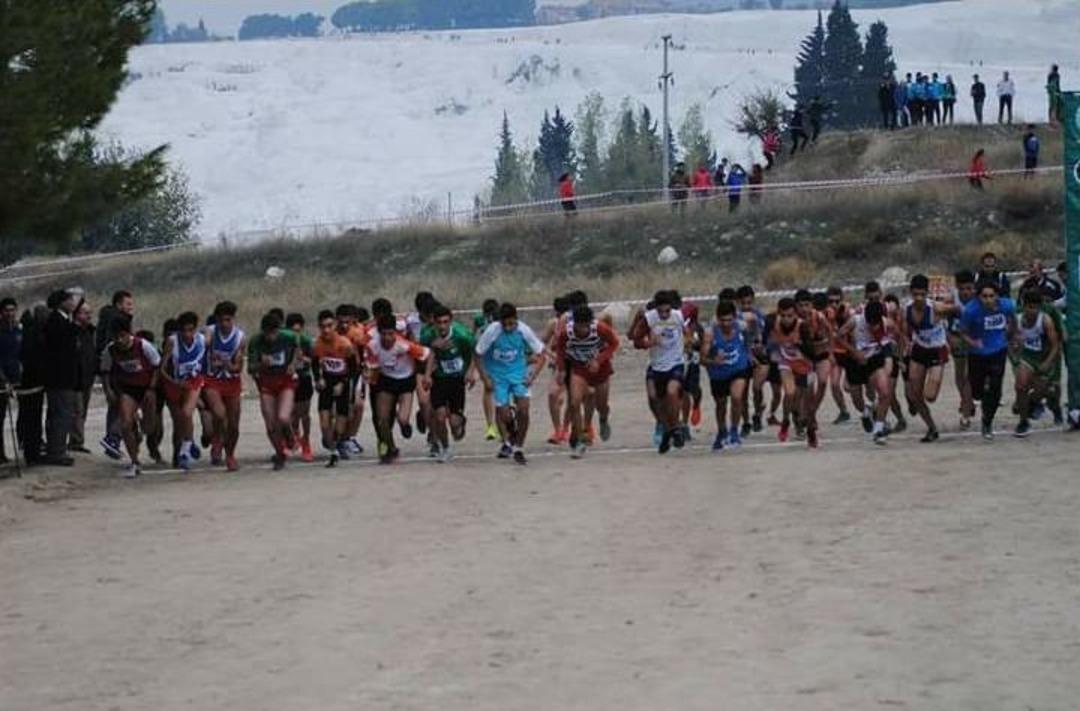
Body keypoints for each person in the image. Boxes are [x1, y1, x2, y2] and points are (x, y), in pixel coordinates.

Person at [474, 303, 546, 465]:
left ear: (516, 320)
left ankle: (519, 447)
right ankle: (510, 431)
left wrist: (532, 376)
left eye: (511, 324)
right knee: (504, 414)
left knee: (525, 409)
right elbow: (478, 354)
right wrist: (485, 378)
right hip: (498, 377)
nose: (508, 328)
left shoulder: (524, 330)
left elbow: (541, 354)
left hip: (518, 374)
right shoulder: (492, 331)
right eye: (504, 324)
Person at [554, 305, 618, 459]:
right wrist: (561, 370)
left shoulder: (600, 328)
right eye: (579, 325)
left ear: (591, 322)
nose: (583, 329)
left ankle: (603, 418)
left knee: (601, 405)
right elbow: (560, 350)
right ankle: (580, 440)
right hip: (579, 368)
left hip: (600, 369)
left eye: (586, 325)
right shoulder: (567, 332)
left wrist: (599, 359)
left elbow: (614, 343)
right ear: (574, 322)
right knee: (575, 403)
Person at [100, 316, 161, 478]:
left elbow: (157, 367)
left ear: (129, 334)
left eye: (122, 336)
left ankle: (140, 428)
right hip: (127, 389)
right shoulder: (110, 350)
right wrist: (108, 391)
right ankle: (134, 461)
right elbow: (105, 372)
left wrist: (152, 389)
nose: (119, 340)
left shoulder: (144, 346)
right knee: (125, 423)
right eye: (116, 337)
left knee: (150, 427)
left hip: (147, 388)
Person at [366, 312, 431, 464]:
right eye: (384, 334)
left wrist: (425, 375)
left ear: (395, 332)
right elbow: (373, 368)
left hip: (405, 382)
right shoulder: (372, 346)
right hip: (386, 381)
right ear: (379, 333)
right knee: (382, 420)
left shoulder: (404, 345)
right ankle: (391, 447)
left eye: (391, 333)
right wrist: (370, 378)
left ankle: (406, 423)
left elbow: (427, 354)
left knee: (402, 419)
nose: (388, 338)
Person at [959, 280, 1017, 440]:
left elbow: (1014, 317)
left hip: (998, 350)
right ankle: (981, 399)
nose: (988, 300)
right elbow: (962, 332)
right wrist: (973, 342)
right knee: (977, 391)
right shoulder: (970, 311)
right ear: (978, 297)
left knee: (995, 388)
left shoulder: (1007, 305)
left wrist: (1013, 333)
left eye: (991, 296)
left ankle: (987, 421)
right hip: (977, 354)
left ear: (997, 296)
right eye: (984, 296)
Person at [900, 275, 954, 443]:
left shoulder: (936, 308)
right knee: (916, 396)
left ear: (927, 293)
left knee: (930, 396)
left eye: (922, 295)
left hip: (937, 350)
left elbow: (958, 310)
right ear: (911, 293)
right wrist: (904, 348)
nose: (919, 298)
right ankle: (932, 428)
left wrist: (953, 335)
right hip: (919, 349)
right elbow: (904, 330)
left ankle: (917, 401)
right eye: (915, 294)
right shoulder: (906, 309)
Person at [420, 304, 477, 463]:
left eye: (446, 322)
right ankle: (445, 448)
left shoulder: (462, 336)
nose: (442, 326)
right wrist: (427, 375)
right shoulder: (428, 335)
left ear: (451, 321)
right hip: (439, 379)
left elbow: (474, 353)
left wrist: (470, 372)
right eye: (439, 322)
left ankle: (460, 423)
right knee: (439, 416)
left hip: (457, 380)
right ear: (434, 322)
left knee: (454, 425)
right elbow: (427, 354)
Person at [839, 301, 900, 445]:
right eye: (870, 323)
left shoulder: (887, 323)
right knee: (858, 402)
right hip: (855, 362)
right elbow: (839, 336)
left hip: (874, 361)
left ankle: (878, 429)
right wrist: (854, 351)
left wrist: (897, 354)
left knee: (885, 392)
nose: (874, 326)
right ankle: (869, 408)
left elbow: (898, 335)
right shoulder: (856, 321)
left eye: (876, 323)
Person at [247, 312, 302, 469]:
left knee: (283, 417)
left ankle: (291, 436)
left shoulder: (288, 336)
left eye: (274, 333)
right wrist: (260, 364)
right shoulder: (256, 341)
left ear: (278, 330)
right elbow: (250, 368)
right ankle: (280, 453)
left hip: (285, 382)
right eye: (268, 334)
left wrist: (293, 363)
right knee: (271, 424)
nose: (271, 337)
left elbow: (298, 345)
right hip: (267, 384)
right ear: (263, 332)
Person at [701, 300, 752, 451]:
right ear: (717, 318)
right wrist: (713, 361)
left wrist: (750, 353)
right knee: (721, 404)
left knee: (737, 397)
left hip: (738, 369)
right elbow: (702, 360)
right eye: (723, 320)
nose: (726, 323)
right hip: (718, 374)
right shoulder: (710, 333)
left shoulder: (742, 327)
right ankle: (722, 431)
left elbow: (750, 341)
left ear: (734, 318)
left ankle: (734, 430)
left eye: (729, 319)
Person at [160, 311, 206, 470]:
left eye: (191, 330)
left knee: (187, 413)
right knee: (179, 421)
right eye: (184, 330)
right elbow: (163, 369)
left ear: (195, 328)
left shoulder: (202, 340)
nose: (187, 334)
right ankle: (189, 442)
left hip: (193, 381)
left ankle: (185, 451)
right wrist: (176, 382)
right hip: (174, 383)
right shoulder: (172, 342)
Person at [1011, 290, 1061, 438]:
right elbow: (1009, 339)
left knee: (1046, 391)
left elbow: (1055, 345)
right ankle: (1023, 422)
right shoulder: (1018, 319)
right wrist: (1014, 353)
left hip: (1043, 358)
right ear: (1023, 306)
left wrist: (1047, 362)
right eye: (1029, 307)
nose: (1031, 311)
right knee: (1021, 386)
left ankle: (1033, 404)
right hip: (1027, 358)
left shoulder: (1045, 321)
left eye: (1035, 307)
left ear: (1039, 307)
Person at [202, 301, 246, 472]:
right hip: (212, 380)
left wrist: (227, 364)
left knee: (234, 425)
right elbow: (202, 343)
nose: (224, 324)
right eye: (221, 320)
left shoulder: (240, 338)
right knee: (219, 414)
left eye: (228, 320)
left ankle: (230, 454)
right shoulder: (210, 332)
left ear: (233, 319)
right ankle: (217, 441)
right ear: (216, 320)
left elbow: (239, 368)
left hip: (232, 382)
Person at [312, 309, 358, 465]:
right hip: (327, 382)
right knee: (324, 423)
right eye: (322, 327)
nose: (326, 330)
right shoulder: (317, 344)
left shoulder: (345, 344)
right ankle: (332, 449)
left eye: (329, 326)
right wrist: (318, 379)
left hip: (342, 382)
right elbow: (314, 363)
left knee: (340, 422)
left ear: (335, 326)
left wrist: (343, 383)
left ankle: (337, 445)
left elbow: (353, 369)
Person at [43, 288, 82, 467]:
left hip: (63, 376)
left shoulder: (63, 320)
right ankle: (56, 451)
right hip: (59, 377)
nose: (73, 303)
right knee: (61, 413)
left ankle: (57, 449)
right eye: (70, 300)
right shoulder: (57, 321)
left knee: (61, 413)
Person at [97, 290, 135, 461]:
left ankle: (112, 441)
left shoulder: (106, 318)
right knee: (125, 404)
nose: (131, 308)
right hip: (118, 369)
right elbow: (114, 346)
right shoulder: (117, 321)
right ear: (119, 304)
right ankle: (112, 438)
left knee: (116, 405)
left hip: (111, 369)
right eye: (128, 304)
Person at [795, 289, 833, 447]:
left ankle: (811, 413)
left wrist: (830, 350)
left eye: (807, 305)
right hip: (806, 357)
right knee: (808, 390)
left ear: (812, 305)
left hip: (821, 353)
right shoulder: (795, 322)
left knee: (823, 382)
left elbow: (831, 333)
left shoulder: (819, 317)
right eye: (801, 305)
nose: (804, 309)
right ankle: (809, 425)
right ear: (796, 306)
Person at [947, 270, 978, 429]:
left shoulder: (979, 300)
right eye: (962, 288)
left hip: (972, 340)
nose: (966, 292)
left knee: (967, 377)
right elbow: (943, 320)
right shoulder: (951, 299)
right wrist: (949, 337)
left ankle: (965, 414)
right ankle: (967, 401)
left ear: (974, 287)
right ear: (957, 287)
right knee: (959, 376)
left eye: (969, 288)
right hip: (957, 339)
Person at [17, 304, 48, 466]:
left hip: (27, 382)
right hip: (32, 382)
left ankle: (31, 449)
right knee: (32, 418)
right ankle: (32, 452)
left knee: (28, 416)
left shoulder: (27, 332)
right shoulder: (35, 334)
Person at [286, 313, 315, 462]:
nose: (295, 334)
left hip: (304, 377)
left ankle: (306, 441)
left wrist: (303, 359)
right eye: (292, 331)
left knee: (304, 413)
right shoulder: (284, 342)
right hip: (289, 379)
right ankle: (293, 436)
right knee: (291, 413)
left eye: (298, 331)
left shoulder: (306, 341)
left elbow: (315, 360)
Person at [70, 299, 96, 454]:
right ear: (77, 314)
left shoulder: (89, 331)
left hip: (87, 376)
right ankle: (76, 441)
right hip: (75, 378)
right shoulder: (73, 332)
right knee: (77, 411)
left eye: (90, 313)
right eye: (86, 313)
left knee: (83, 410)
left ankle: (77, 439)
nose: (89, 316)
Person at [473, 298, 501, 440]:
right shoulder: (479, 320)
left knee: (501, 390)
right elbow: (474, 337)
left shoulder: (502, 320)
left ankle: (501, 423)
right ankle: (491, 425)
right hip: (486, 357)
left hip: (500, 357)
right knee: (489, 388)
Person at [824, 286, 852, 425]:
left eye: (837, 301)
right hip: (835, 352)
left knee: (850, 386)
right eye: (831, 301)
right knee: (834, 384)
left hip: (848, 352)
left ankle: (870, 407)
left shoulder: (847, 312)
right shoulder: (824, 314)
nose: (834, 304)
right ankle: (844, 411)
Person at [0, 297, 22, 465]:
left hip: (17, 378)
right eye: (7, 310)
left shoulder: (18, 329)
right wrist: (4, 379)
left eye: (12, 310)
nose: (10, 313)